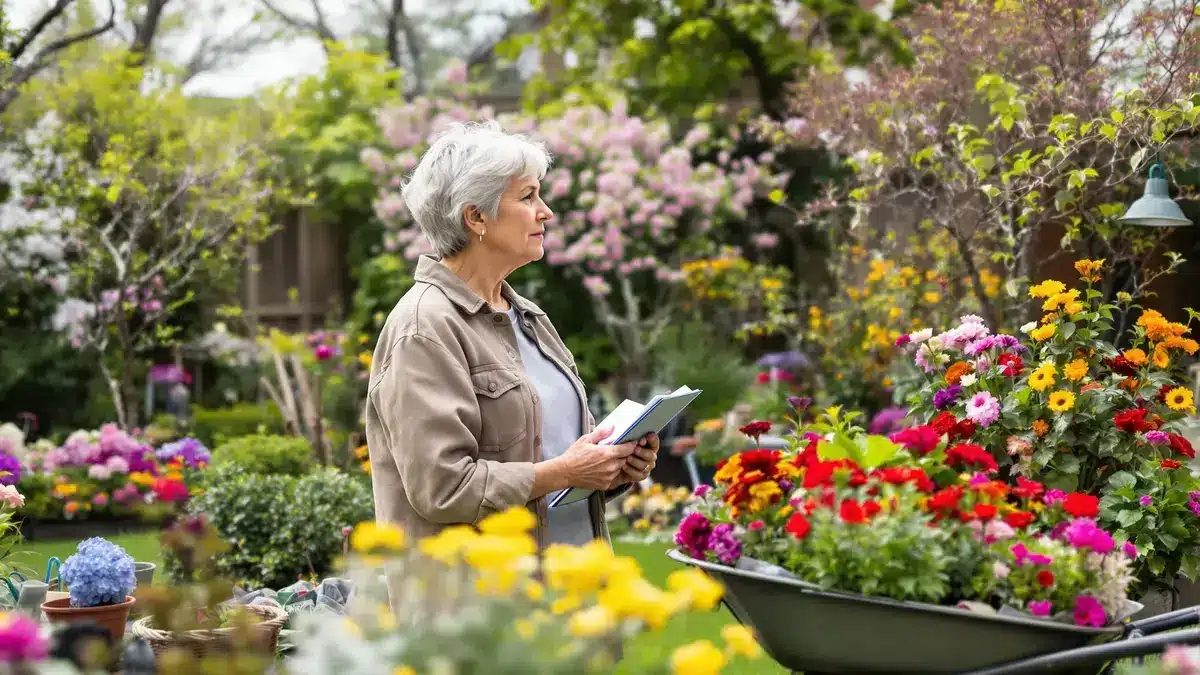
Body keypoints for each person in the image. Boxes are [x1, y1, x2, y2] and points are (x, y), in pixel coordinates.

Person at [365, 121, 661, 554]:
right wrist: (565, 471)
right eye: (527, 196)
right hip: (487, 608)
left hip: (574, 589)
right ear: (476, 216)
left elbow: (561, 457)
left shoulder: (526, 316)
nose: (546, 212)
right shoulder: (424, 328)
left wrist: (614, 464)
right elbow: (442, 487)